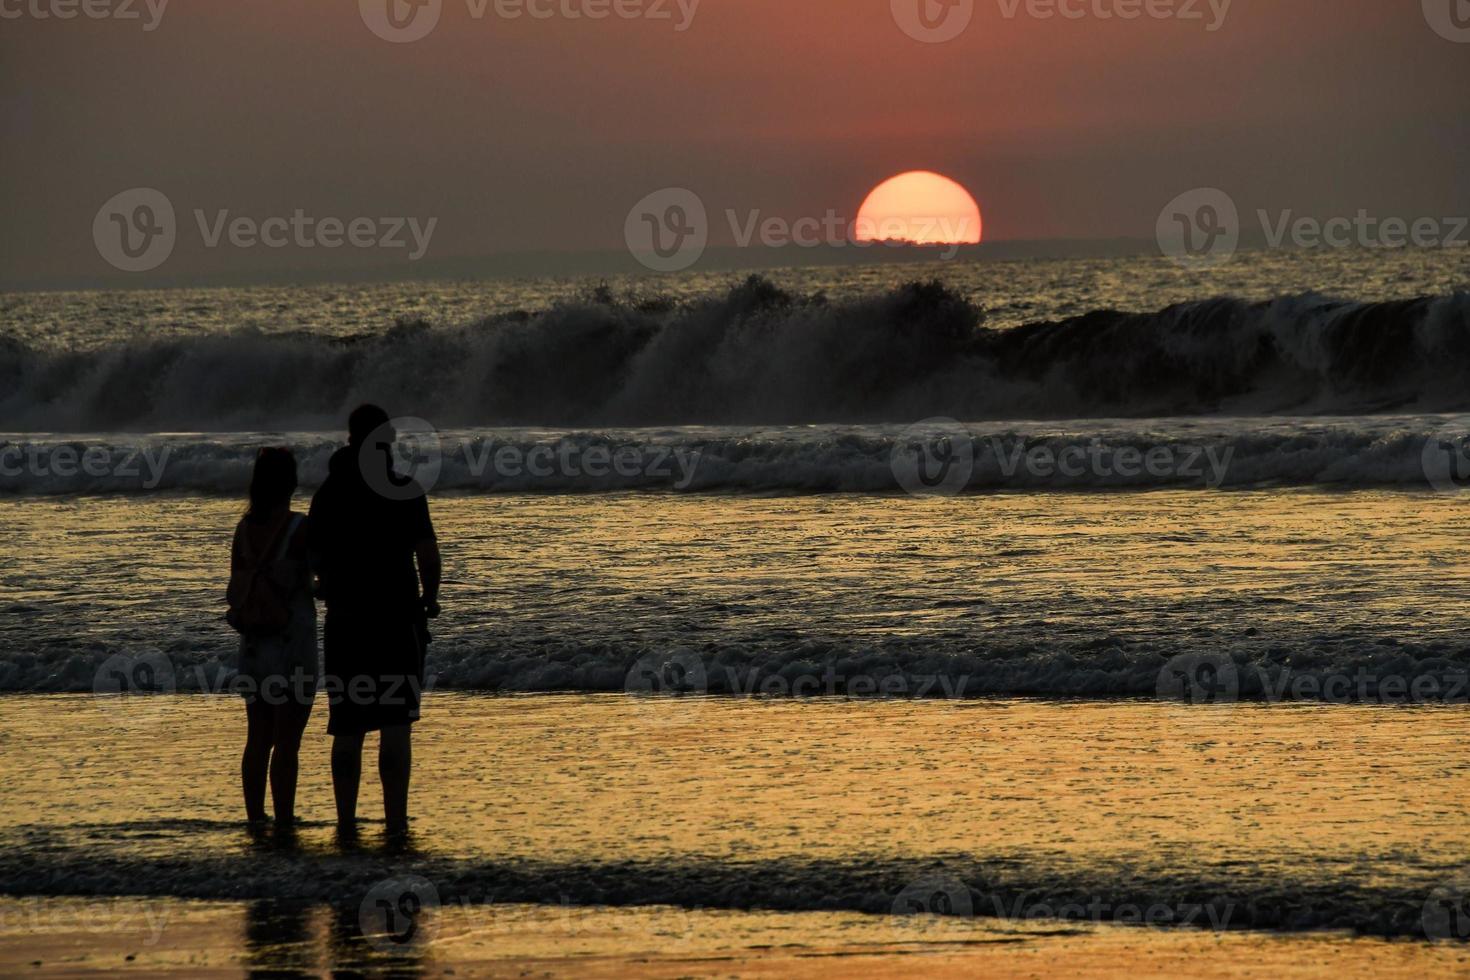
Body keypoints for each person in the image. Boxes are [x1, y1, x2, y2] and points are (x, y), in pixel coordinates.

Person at [309, 404, 441, 838]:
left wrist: (324, 582)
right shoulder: (404, 490)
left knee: (347, 727)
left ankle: (346, 822)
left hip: (346, 622)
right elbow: (427, 555)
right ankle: (395, 820)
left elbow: (312, 559)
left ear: (351, 439)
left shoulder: (328, 494)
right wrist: (430, 598)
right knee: (396, 723)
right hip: (396, 620)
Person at [228, 448, 317, 826]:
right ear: (291, 484)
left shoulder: (244, 530)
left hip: (252, 642)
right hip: (290, 643)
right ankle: (284, 817)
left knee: (258, 738)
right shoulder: (300, 528)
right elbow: (318, 580)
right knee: (288, 741)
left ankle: (255, 816)